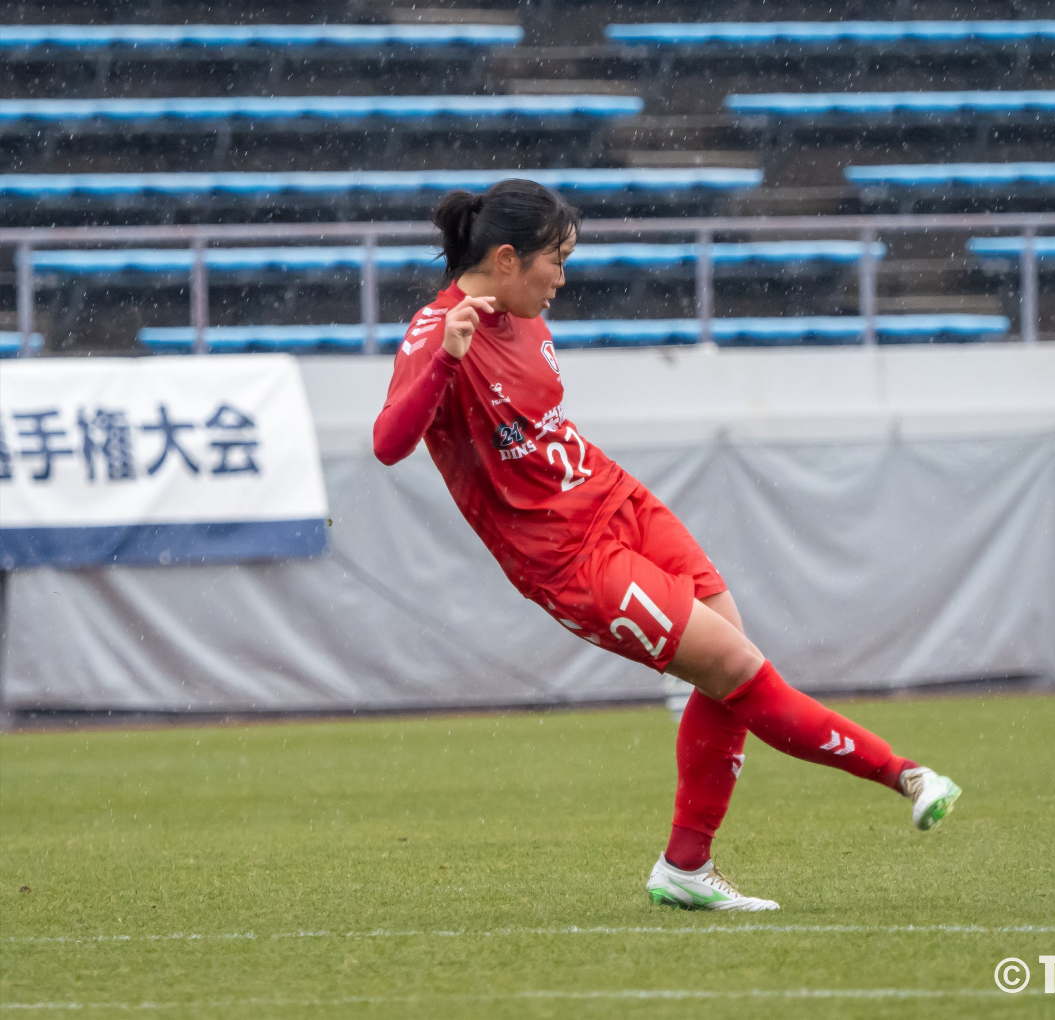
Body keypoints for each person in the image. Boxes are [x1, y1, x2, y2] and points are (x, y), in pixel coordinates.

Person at [373, 179, 961, 912]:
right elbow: (388, 444)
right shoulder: (438, 333)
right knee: (741, 671)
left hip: (617, 498)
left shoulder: (523, 315)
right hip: (568, 559)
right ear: (506, 258)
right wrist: (447, 361)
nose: (563, 277)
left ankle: (686, 865)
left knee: (729, 658)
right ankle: (905, 774)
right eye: (556, 261)